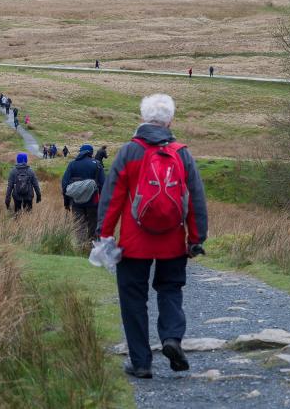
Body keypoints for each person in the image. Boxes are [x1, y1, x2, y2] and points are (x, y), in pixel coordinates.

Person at [98, 93, 208, 379]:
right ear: (170, 120)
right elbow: (195, 198)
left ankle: (141, 362)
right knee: (170, 289)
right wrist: (196, 239)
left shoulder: (129, 152)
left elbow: (112, 198)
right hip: (172, 241)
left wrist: (105, 234)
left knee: (133, 298)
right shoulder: (182, 153)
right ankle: (172, 338)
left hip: (134, 243)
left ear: (143, 119)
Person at [63, 144, 106, 246]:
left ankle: (81, 247)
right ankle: (92, 248)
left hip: (76, 202)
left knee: (79, 226)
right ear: (91, 153)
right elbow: (104, 185)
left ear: (80, 152)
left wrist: (66, 202)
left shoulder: (72, 164)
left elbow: (64, 185)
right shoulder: (97, 164)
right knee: (93, 226)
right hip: (94, 202)